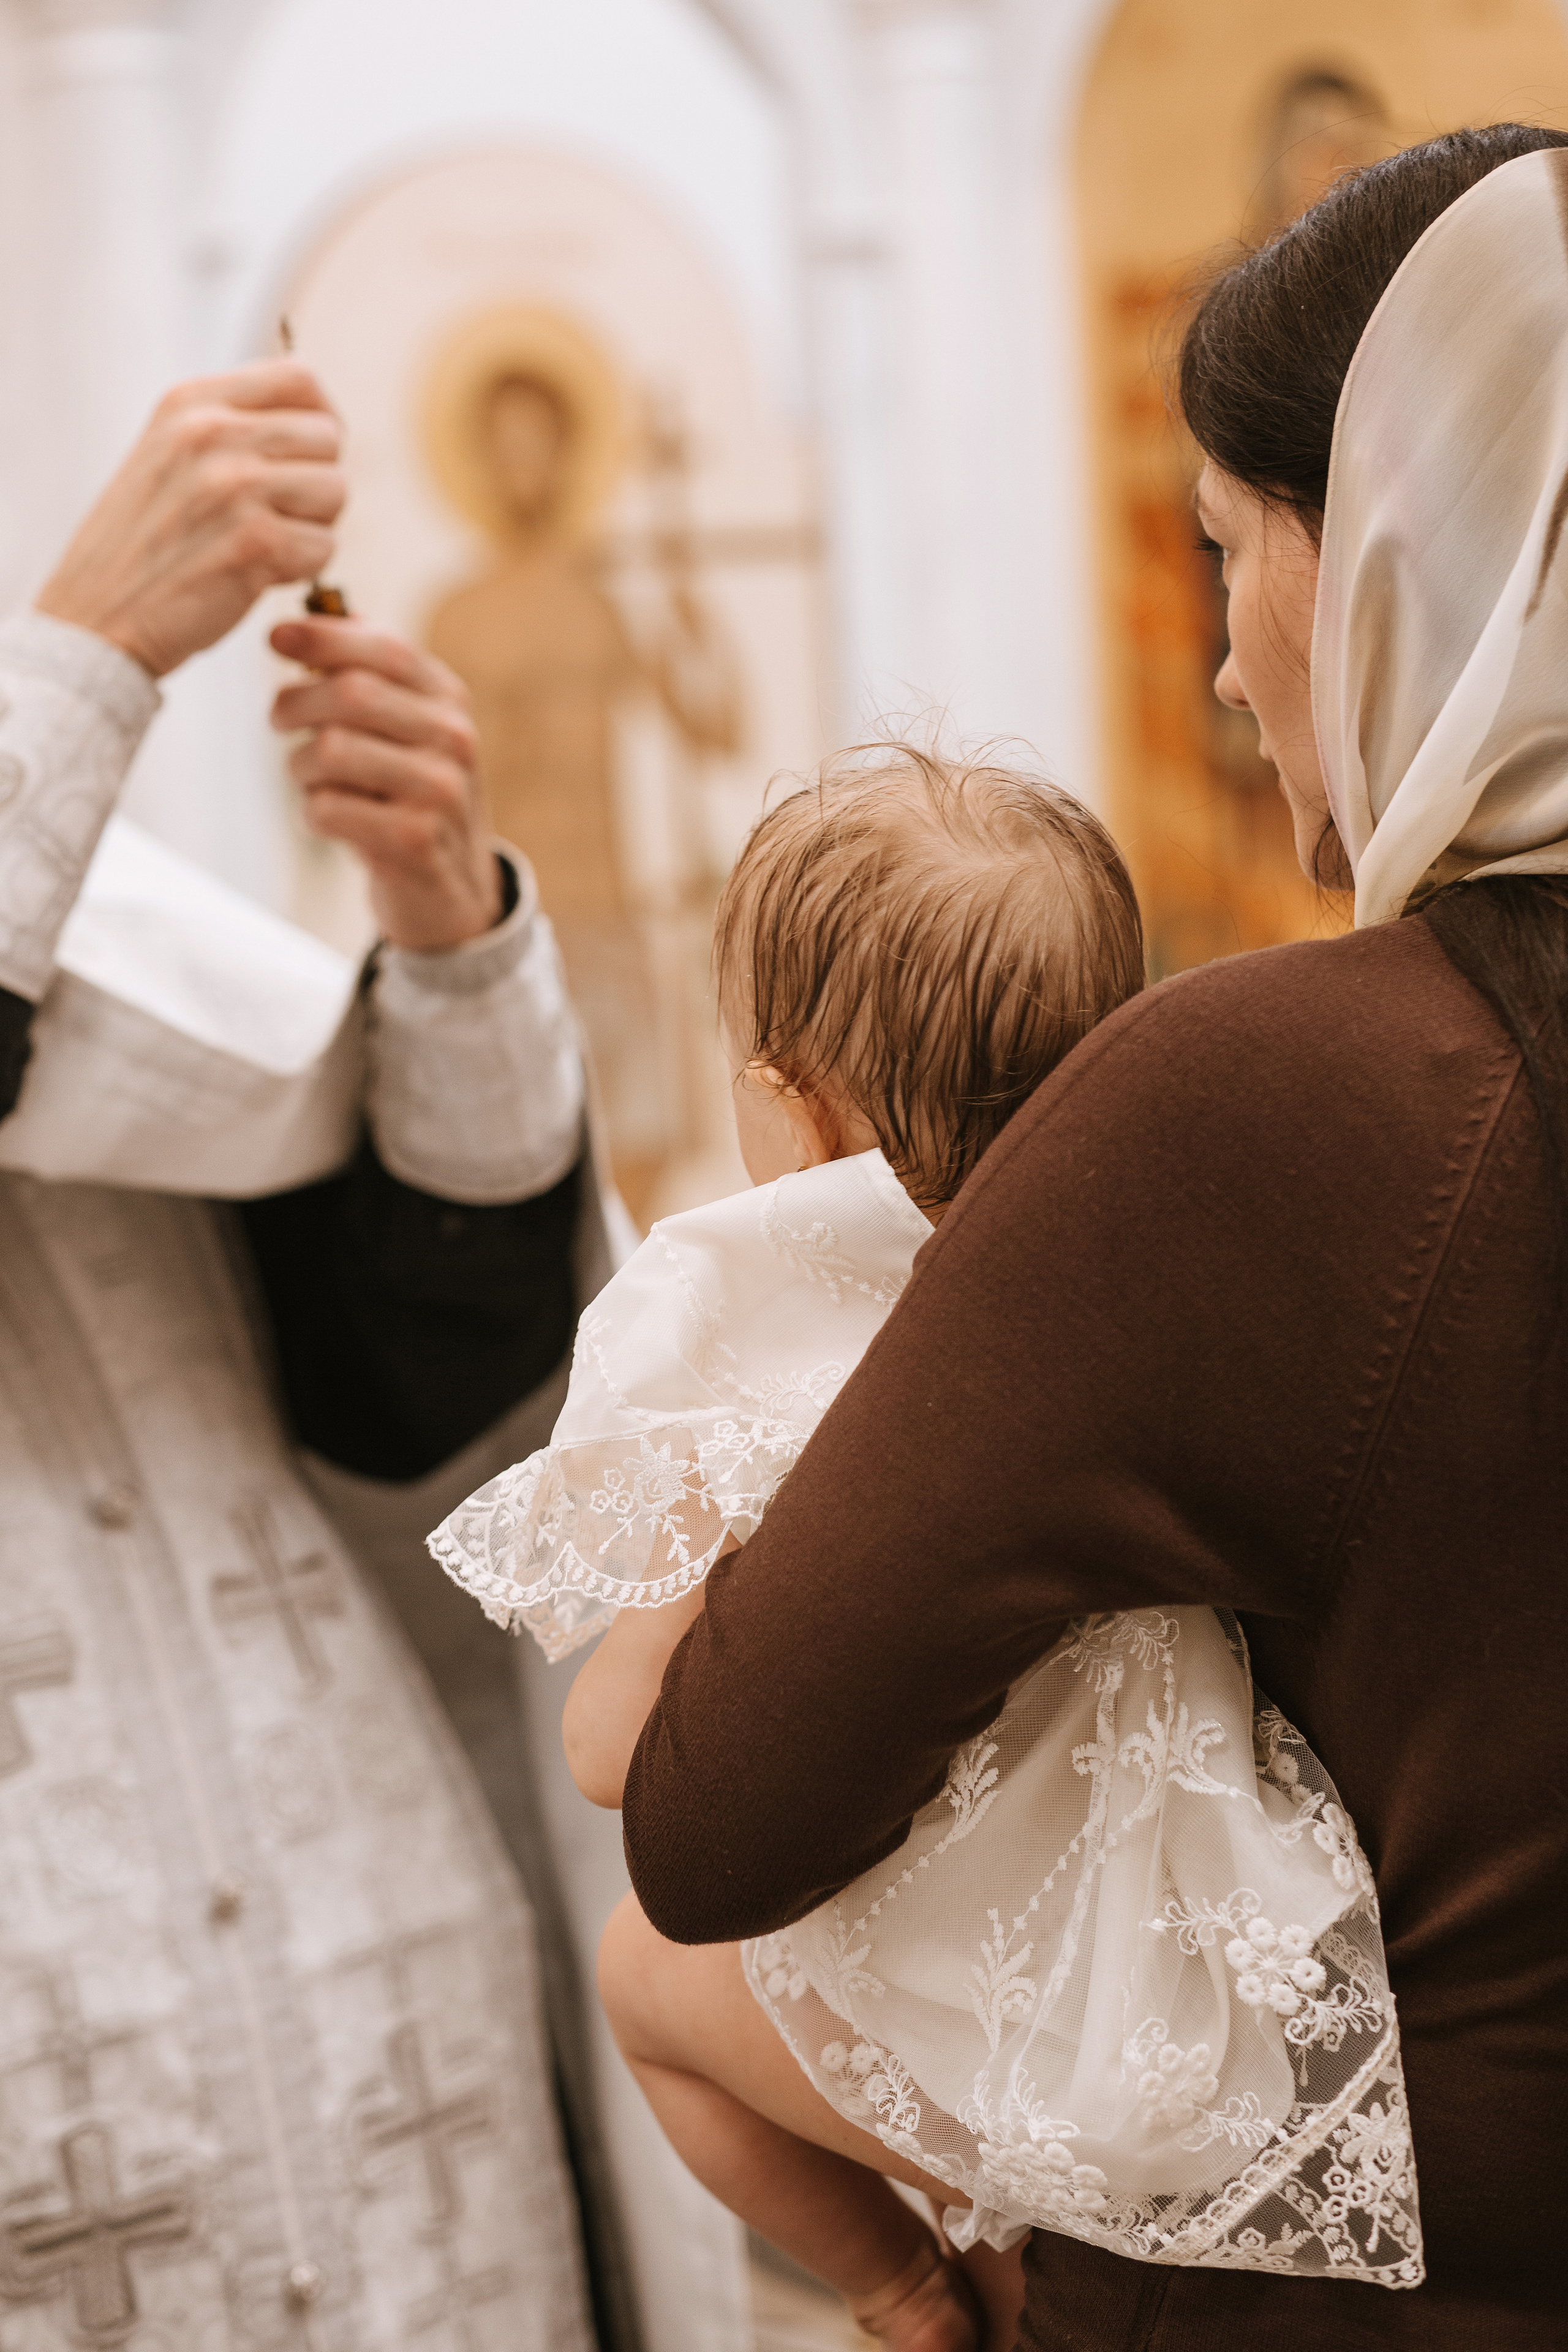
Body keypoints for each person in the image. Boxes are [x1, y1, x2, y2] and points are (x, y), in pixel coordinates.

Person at [617, 126, 1568, 2352]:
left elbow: (720, 1812)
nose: (1234, 667)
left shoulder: (1269, 1104)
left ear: (1418, 550)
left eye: (1230, 548)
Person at [430, 753, 1415, 2346]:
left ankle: (900, 2294)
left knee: (639, 1979)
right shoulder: (1155, 1268)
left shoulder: (748, 1332)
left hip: (968, 1991)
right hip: (1205, 1979)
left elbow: (618, 1753)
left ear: (792, 1097)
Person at [0, 361, 634, 2348]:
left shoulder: (86, 897)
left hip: (403, 2065)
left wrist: (444, 926)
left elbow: (423, 1393)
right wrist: (91, 656)